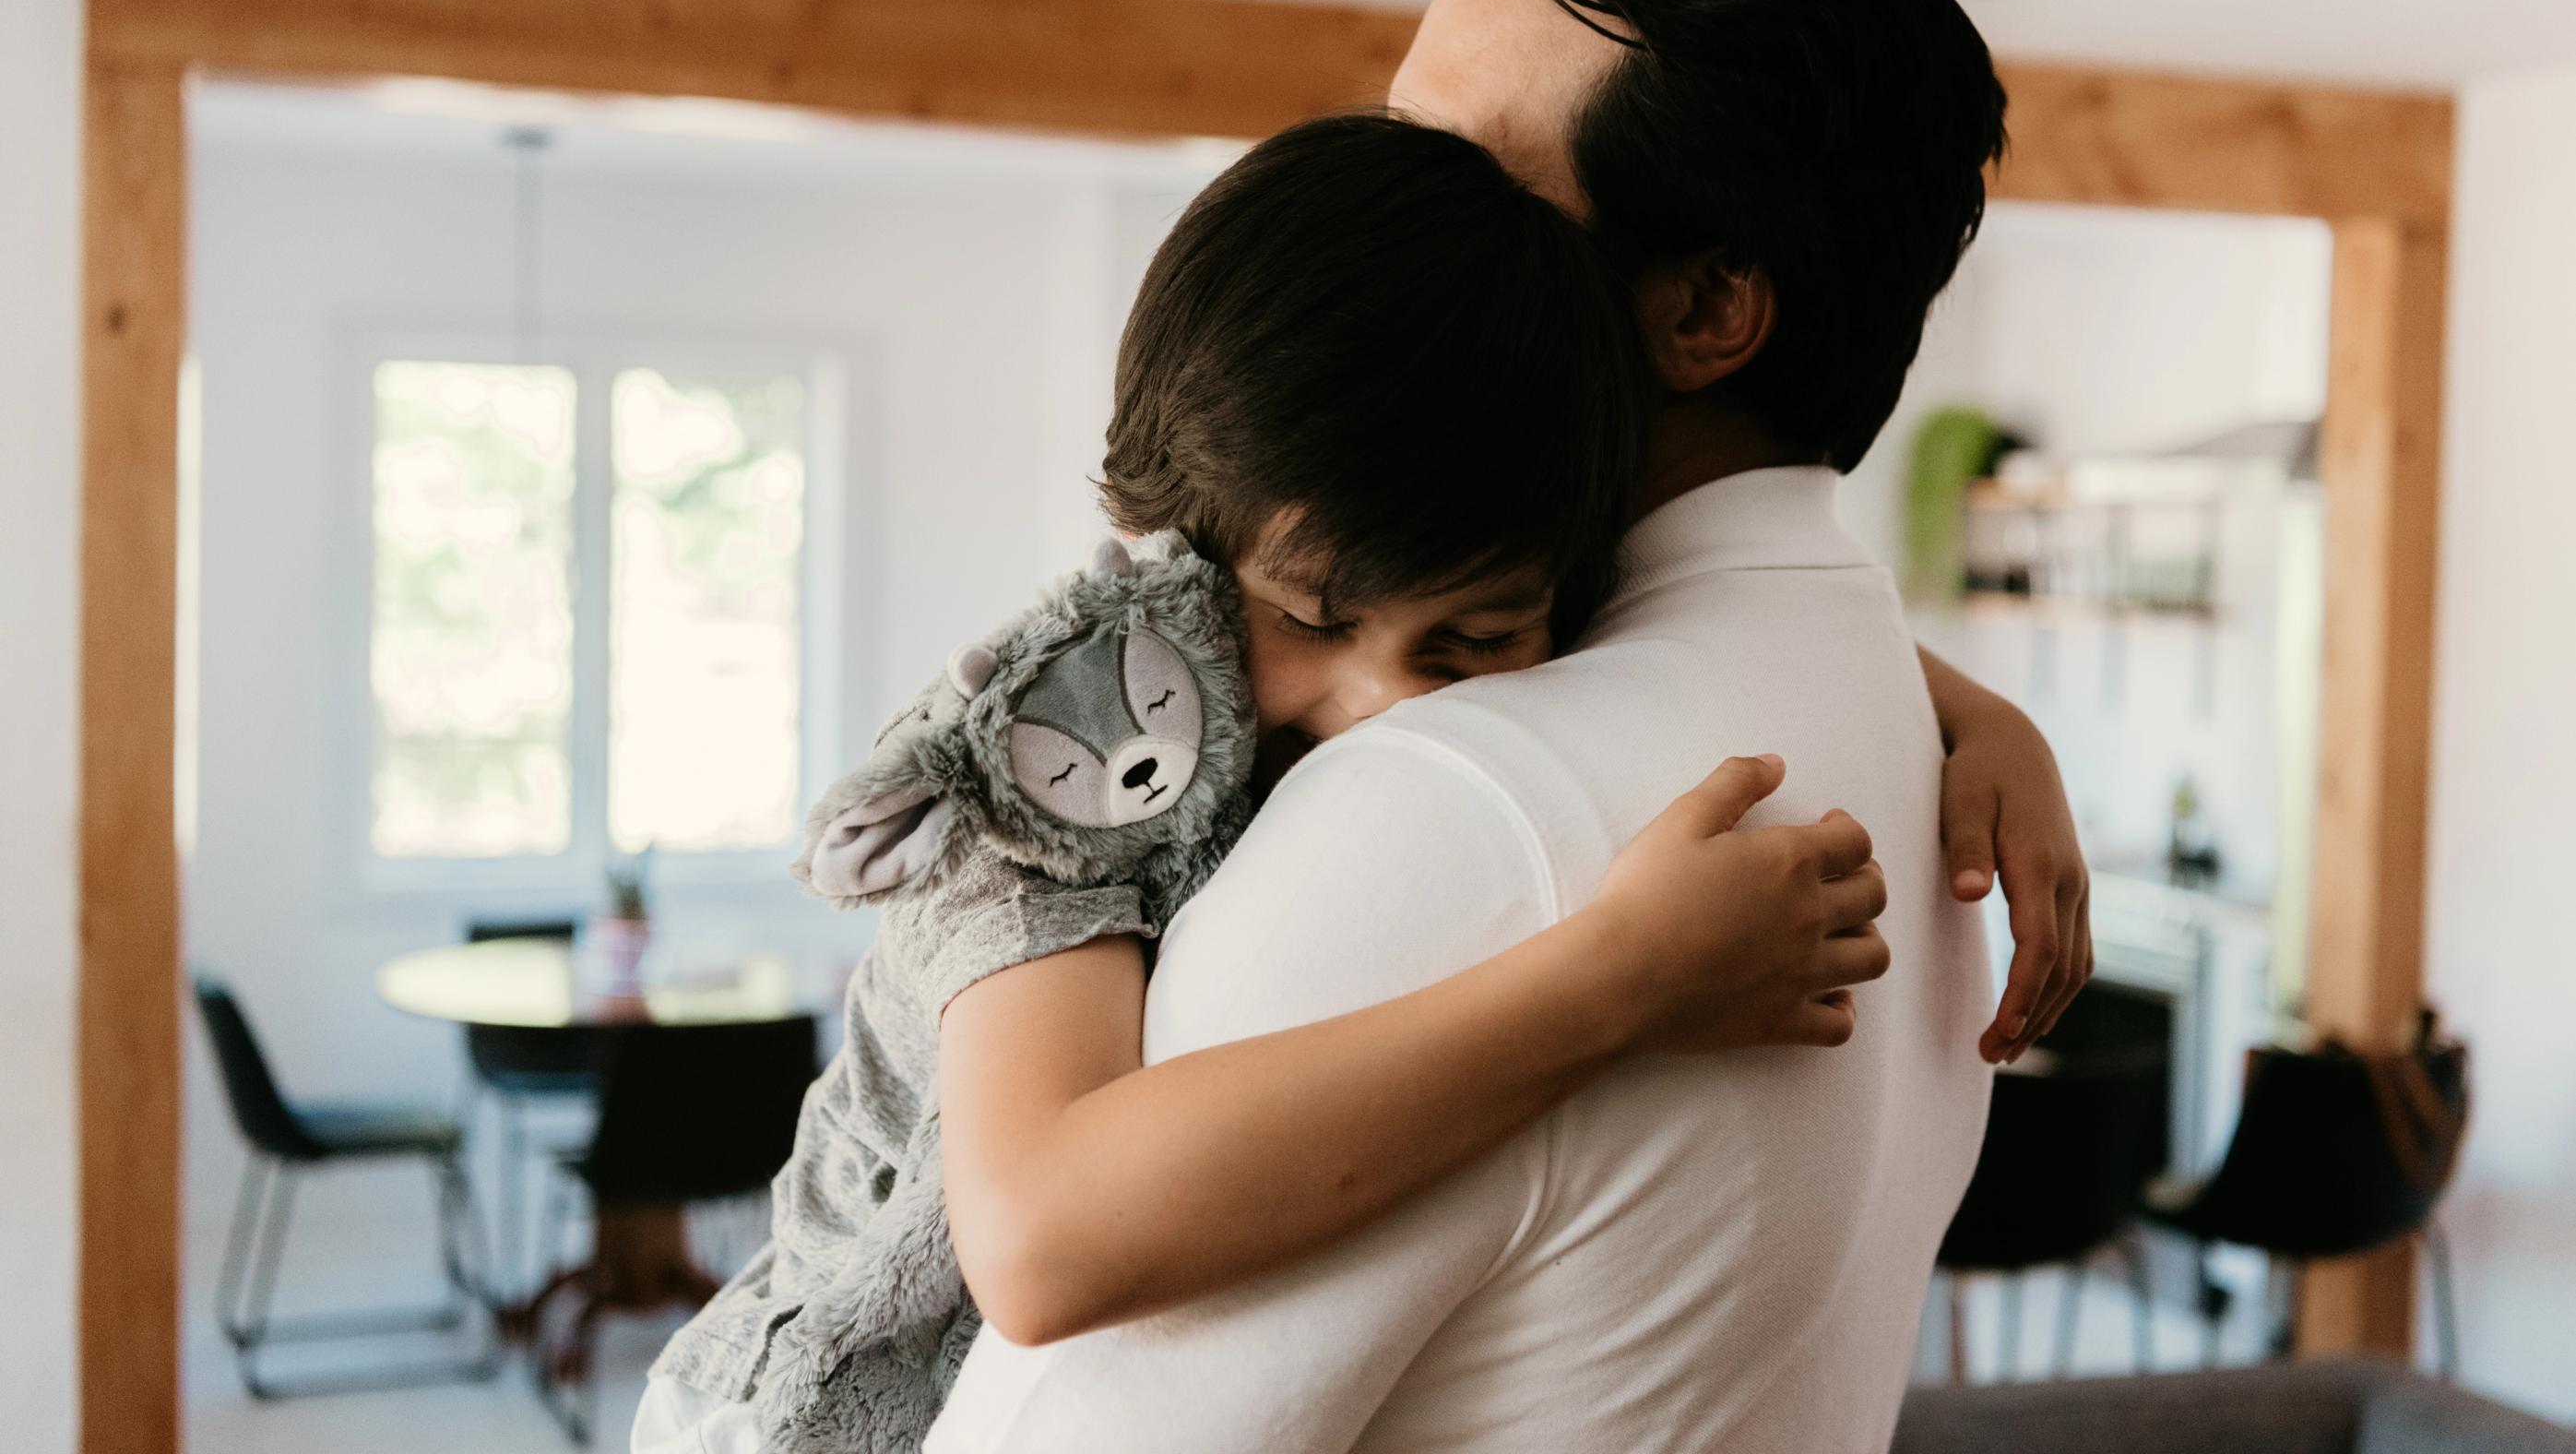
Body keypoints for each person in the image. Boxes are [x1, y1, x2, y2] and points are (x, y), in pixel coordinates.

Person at [924, 0, 2085, 1454]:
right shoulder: (1890, 759)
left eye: (1463, 178)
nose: (1374, 225)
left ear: (1701, 310)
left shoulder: (1458, 807)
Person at [635, 111, 2055, 1453]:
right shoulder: (1058, 770)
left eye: (1474, 642)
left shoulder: (1414, 604)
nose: (1380, 704)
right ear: (1162, 537)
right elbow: (1040, 1241)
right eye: (1313, 621)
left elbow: (1730, 625)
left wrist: (1974, 716)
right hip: (807, 1413)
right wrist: (1615, 981)